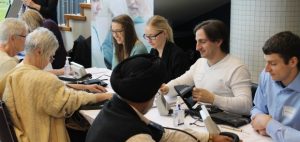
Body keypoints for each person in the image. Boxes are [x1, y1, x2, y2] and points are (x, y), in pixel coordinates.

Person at [85, 54, 232, 142]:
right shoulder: (137, 137)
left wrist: (209, 138)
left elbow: (163, 134)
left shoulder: (116, 108)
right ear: (150, 95)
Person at [0, 27, 112, 142]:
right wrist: (103, 96)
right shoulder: (43, 79)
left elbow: (55, 90)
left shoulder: (16, 71)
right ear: (39, 51)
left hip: (26, 133)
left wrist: (85, 87)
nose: (50, 61)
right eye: (50, 56)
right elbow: (70, 101)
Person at [160, 19, 252, 115]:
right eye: (197, 42)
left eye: (202, 42)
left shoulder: (237, 68)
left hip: (227, 124)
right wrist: (166, 88)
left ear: (218, 41)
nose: (197, 47)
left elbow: (246, 106)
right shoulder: (200, 63)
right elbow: (180, 82)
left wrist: (213, 99)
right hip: (202, 118)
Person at [251, 31, 300, 142]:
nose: (267, 69)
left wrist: (269, 126)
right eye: (266, 62)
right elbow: (257, 108)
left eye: (273, 64)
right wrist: (260, 121)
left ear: (292, 62)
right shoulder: (266, 76)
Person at [144, 15, 190, 82]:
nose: (149, 41)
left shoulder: (178, 55)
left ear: (164, 33)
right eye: (146, 36)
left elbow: (182, 87)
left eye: (152, 36)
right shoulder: (153, 52)